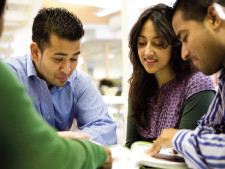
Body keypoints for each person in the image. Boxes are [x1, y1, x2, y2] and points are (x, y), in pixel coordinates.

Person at [0, 0, 112, 169]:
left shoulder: (79, 81)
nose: (67, 69)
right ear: (35, 52)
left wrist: (67, 144)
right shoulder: (10, 76)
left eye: (74, 59)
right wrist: (57, 144)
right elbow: (14, 146)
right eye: (58, 59)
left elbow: (105, 128)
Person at [146, 0, 225, 168]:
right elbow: (207, 129)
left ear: (213, 18)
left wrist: (179, 139)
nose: (184, 53)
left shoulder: (197, 82)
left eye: (185, 37)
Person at [125, 3, 216, 148]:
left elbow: (184, 152)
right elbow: (131, 146)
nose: (148, 52)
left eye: (159, 43)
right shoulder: (138, 85)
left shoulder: (198, 85)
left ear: (176, 44)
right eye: (141, 43)